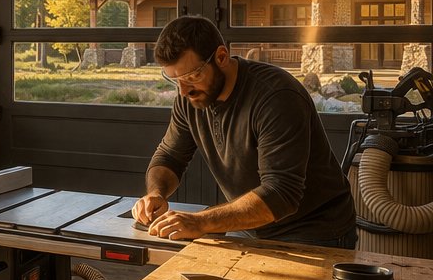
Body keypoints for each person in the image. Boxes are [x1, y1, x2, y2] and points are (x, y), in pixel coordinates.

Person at [132, 15, 355, 247]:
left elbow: (281, 194)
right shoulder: (190, 98)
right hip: (250, 226)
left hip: (315, 230)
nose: (184, 91)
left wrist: (200, 222)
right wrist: (156, 193)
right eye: (174, 80)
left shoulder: (276, 97)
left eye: (193, 76)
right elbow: (170, 157)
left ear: (221, 57)